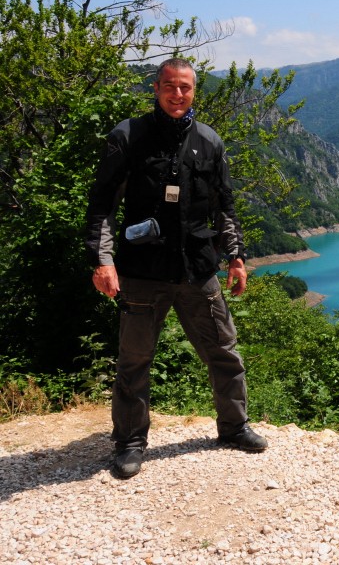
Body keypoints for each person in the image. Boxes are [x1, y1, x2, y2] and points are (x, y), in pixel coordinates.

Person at [85, 57, 267, 479]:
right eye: (170, 85)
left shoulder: (209, 141)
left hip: (197, 269)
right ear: (156, 87)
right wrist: (102, 260)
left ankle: (234, 426)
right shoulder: (127, 137)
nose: (178, 94)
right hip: (142, 272)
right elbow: (101, 205)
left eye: (185, 87)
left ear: (194, 91)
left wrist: (236, 256)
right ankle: (130, 442)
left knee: (223, 351)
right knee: (134, 359)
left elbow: (225, 205)